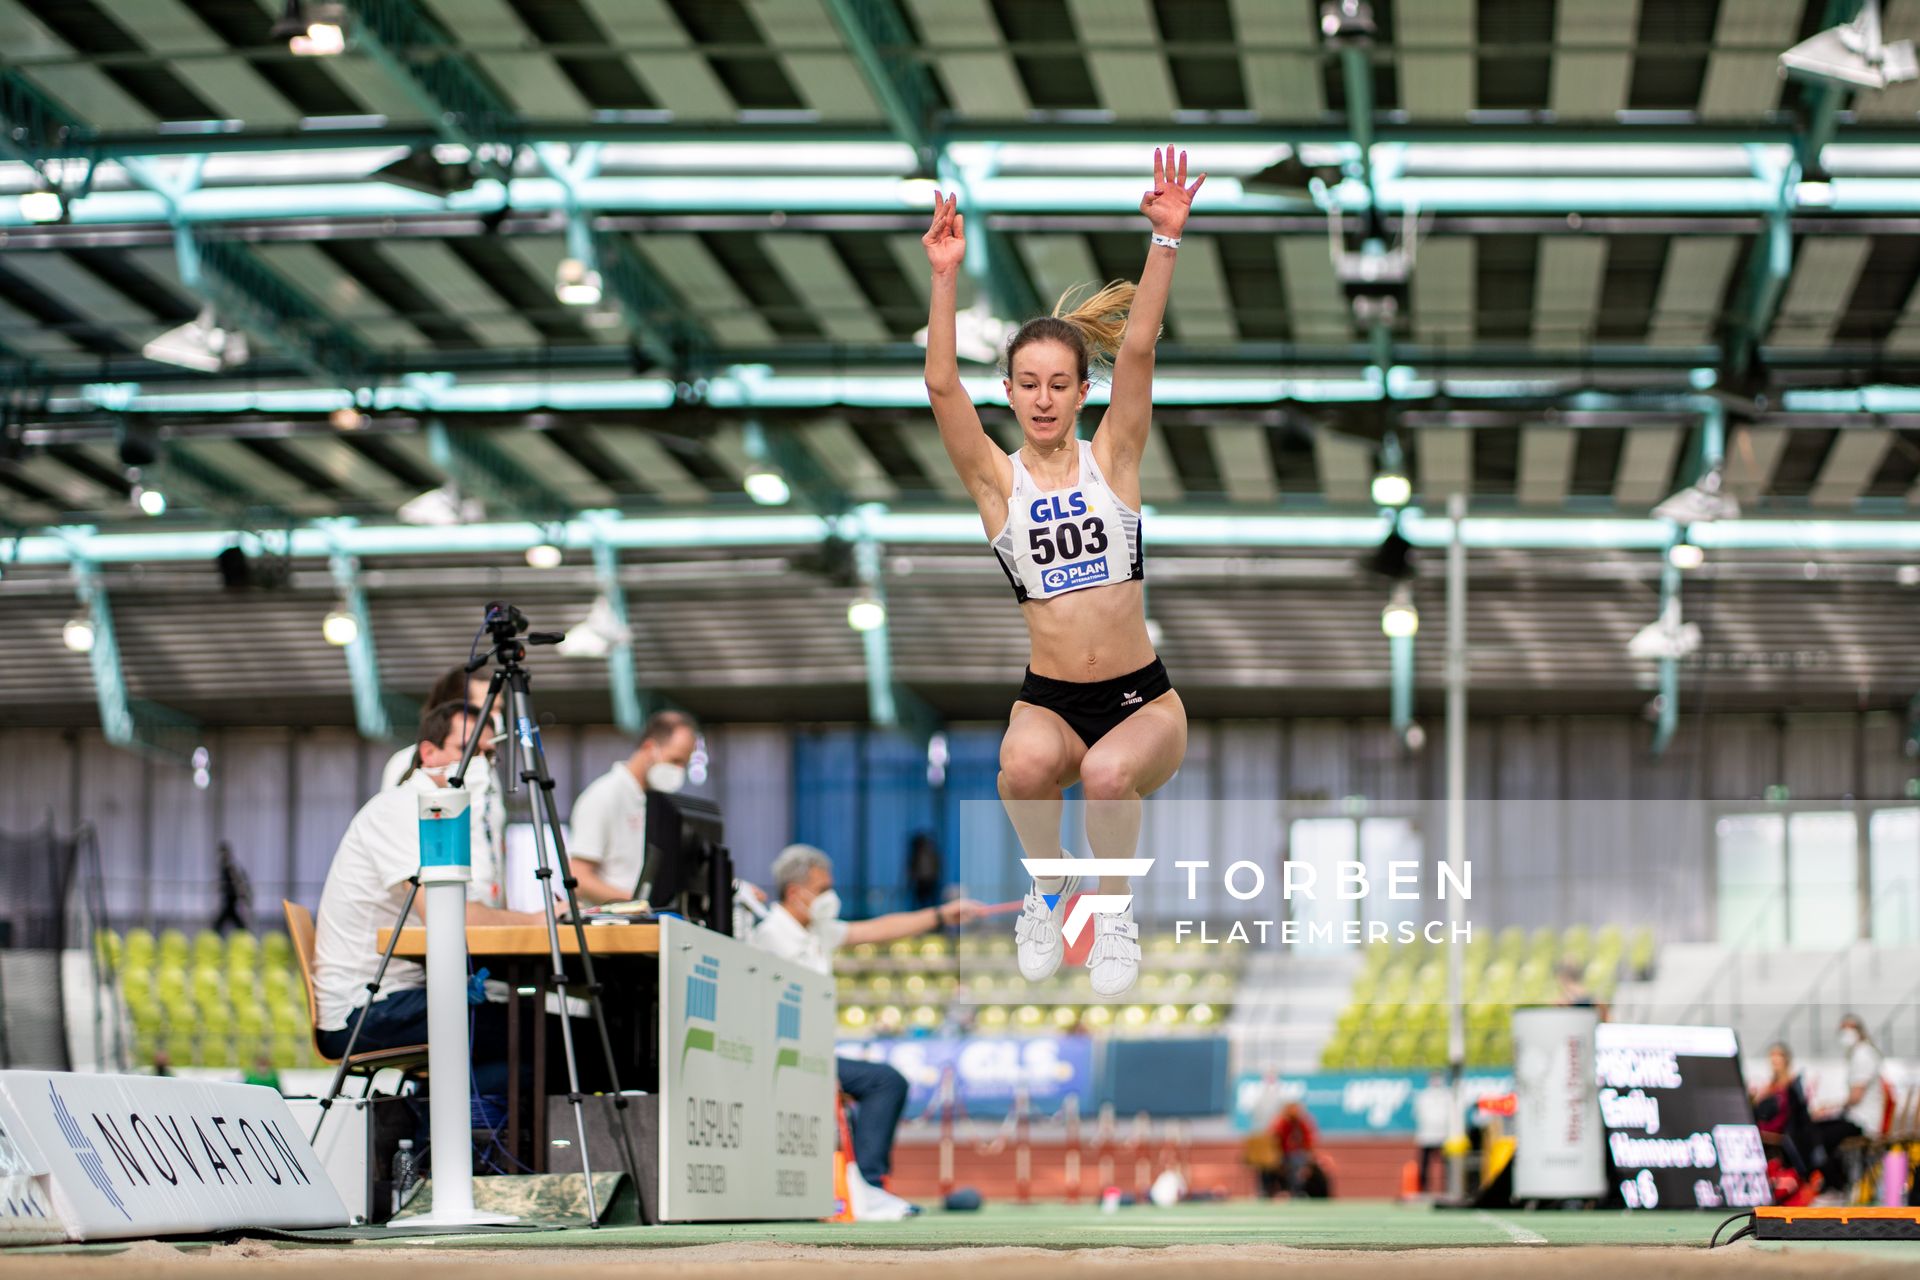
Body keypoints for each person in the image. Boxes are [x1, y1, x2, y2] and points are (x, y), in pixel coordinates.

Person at [920, 147, 1204, 997]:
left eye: (1060, 385)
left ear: (1084, 392)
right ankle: (1050, 886)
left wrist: (1166, 242)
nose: (1044, 399)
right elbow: (940, 387)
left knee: (1111, 776)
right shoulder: (995, 484)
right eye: (1029, 384)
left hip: (1141, 702)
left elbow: (1143, 347)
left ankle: (1111, 913)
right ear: (1009, 391)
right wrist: (945, 277)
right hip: (1051, 698)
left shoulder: (1111, 458)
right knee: (1019, 768)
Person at [311, 701, 551, 1092]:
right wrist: (536, 921)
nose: (481, 764)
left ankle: (440, 1130)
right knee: (548, 1036)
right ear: (428, 753)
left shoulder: (447, 819)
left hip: (408, 996)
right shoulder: (402, 810)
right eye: (468, 750)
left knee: (535, 1034)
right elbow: (448, 915)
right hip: (368, 1008)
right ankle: (438, 1135)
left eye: (489, 754)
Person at [748, 843, 984, 1221]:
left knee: (876, 1087)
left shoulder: (816, 932)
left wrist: (942, 914)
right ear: (795, 893)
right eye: (823, 889)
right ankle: (869, 1189)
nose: (831, 897)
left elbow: (877, 929)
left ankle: (865, 1186)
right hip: (780, 1056)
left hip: (813, 1056)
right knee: (884, 1083)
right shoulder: (765, 935)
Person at [380, 665, 508, 910]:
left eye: (499, 709)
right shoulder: (408, 766)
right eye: (490, 707)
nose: (496, 716)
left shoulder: (486, 771)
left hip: (482, 914)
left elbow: (494, 846)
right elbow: (405, 851)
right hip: (438, 916)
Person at [565, 710, 699, 905]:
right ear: (649, 747)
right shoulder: (603, 796)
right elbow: (579, 879)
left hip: (649, 921)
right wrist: (639, 902)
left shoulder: (660, 803)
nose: (679, 771)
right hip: (614, 927)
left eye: (684, 765)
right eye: (674, 761)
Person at [1811, 1014, 1889, 1197]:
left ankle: (1835, 1184)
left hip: (1863, 1121)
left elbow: (1855, 1097)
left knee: (1817, 1134)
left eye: (1849, 1028)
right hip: (1857, 1117)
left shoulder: (1863, 1054)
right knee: (1820, 1130)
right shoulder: (1859, 1054)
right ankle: (1835, 1182)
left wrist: (1828, 1107)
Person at [1751, 1042, 1816, 1182]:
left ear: (1786, 1059)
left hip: (1784, 1133)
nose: (1775, 1059)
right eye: (1772, 1055)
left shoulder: (1791, 1085)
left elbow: (1788, 1116)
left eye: (1778, 1055)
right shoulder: (1769, 1086)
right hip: (1765, 1129)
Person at [1413, 1073, 1452, 1194]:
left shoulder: (1447, 1095)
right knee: (1424, 1165)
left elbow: (1450, 1114)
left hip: (1443, 1135)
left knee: (1447, 1165)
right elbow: (1418, 1114)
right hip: (1427, 1135)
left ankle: (1448, 1188)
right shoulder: (1423, 1096)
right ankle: (1424, 1189)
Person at [1271, 1100, 1320, 1197]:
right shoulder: (1281, 1123)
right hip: (1282, 1154)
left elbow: (1309, 1142)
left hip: (1298, 1155)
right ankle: (1281, 1190)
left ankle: (1297, 1190)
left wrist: (1310, 1157)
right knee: (1273, 1165)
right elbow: (1274, 1140)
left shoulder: (1302, 1123)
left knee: (1298, 1162)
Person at [213, 842, 252, 934]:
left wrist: (243, 894)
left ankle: (214, 932)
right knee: (230, 916)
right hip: (229, 897)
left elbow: (237, 881)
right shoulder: (225, 866)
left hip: (232, 896)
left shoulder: (230, 866)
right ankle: (244, 932)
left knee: (228, 916)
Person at [906, 831, 942, 911]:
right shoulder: (929, 852)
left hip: (926, 882)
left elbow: (911, 869)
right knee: (926, 905)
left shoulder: (919, 853)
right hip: (925, 882)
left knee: (924, 905)